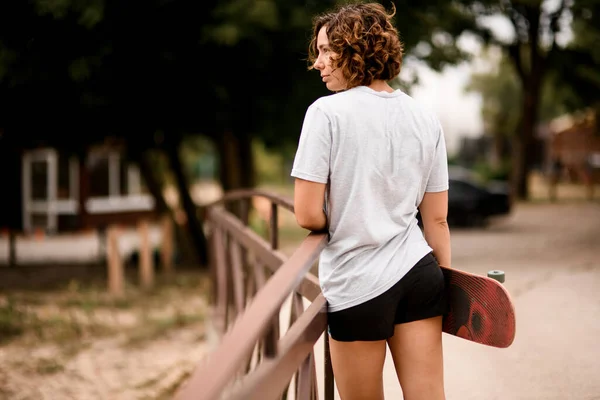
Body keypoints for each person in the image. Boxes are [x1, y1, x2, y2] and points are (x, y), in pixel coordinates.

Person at [290, 3, 450, 400]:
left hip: (358, 283)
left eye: (327, 51)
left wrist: (349, 214)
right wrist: (449, 292)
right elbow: (438, 222)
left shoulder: (325, 114)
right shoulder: (424, 117)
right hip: (420, 275)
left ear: (355, 49)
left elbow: (307, 213)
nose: (318, 63)